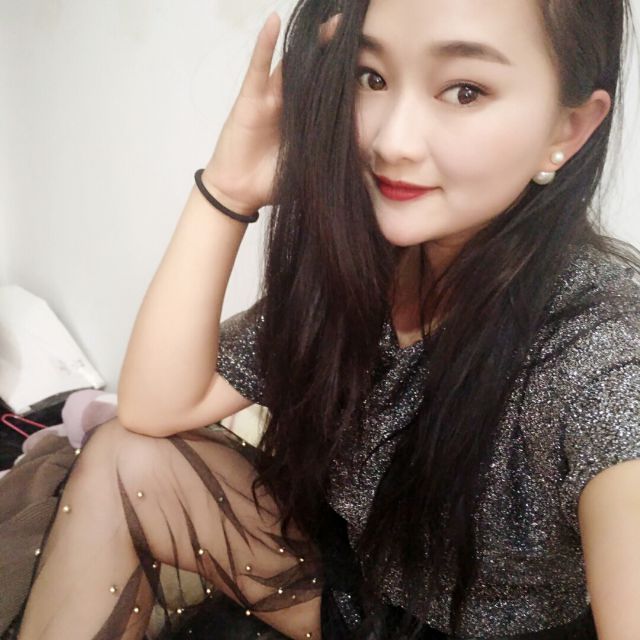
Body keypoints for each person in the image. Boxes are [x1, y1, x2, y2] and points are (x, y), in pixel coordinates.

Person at [3, 0, 640, 638]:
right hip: (352, 596)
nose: (391, 141)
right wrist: (228, 188)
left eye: (464, 90)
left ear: (570, 129)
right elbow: (156, 406)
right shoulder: (370, 265)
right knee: (123, 455)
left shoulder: (602, 352)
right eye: (371, 77)